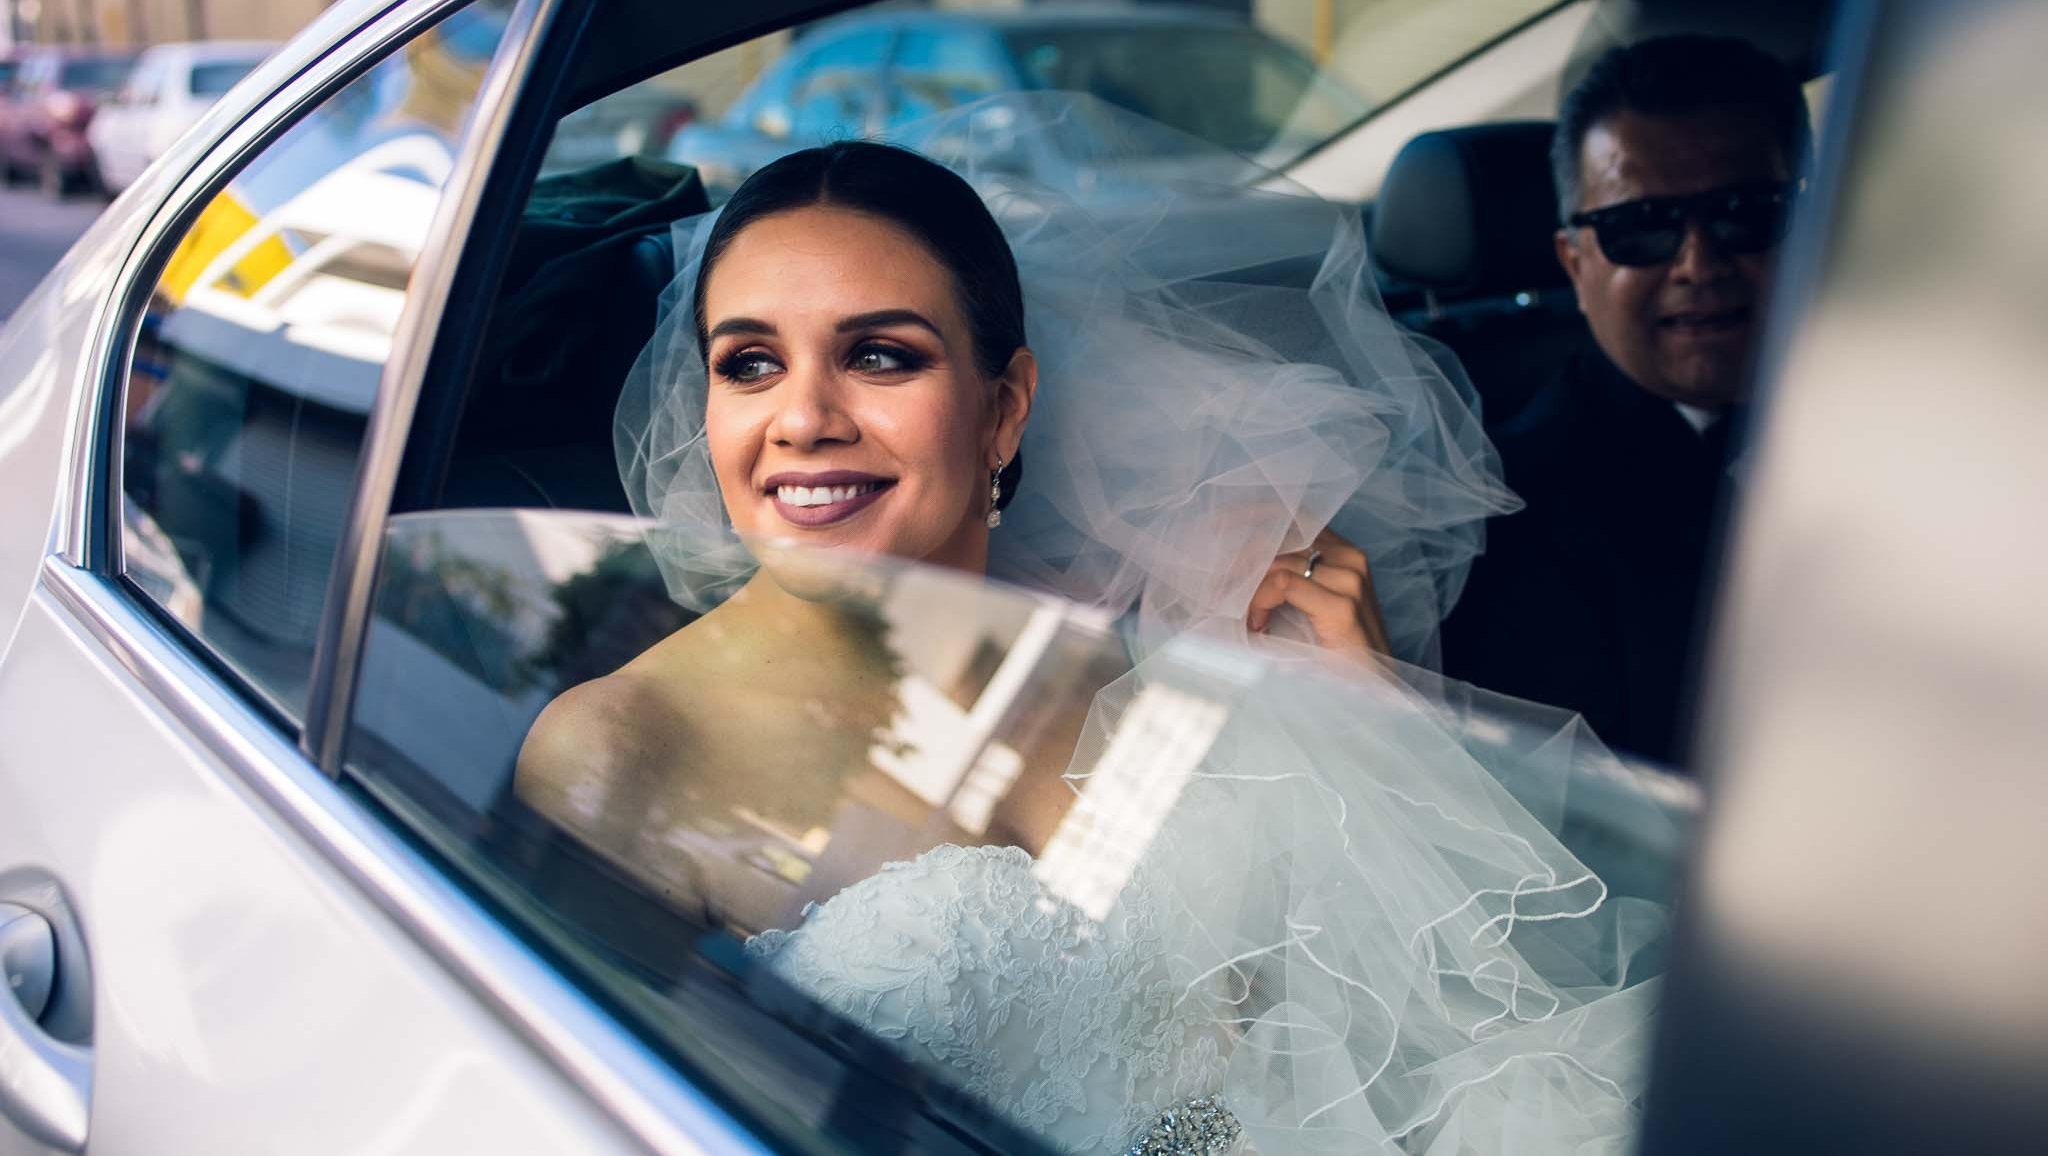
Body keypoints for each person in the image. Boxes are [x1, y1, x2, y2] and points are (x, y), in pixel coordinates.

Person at [518, 102, 1670, 1156]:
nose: (804, 418)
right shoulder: (619, 751)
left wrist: (1361, 716)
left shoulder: (1158, 656)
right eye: (750, 363)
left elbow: (1399, 1015)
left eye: (878, 355)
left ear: (1004, 406)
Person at [1441, 35, 1811, 767]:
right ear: (1574, 264)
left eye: (1746, 213)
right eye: (1641, 227)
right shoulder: (1512, 518)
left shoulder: (1925, 421)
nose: (1698, 264)